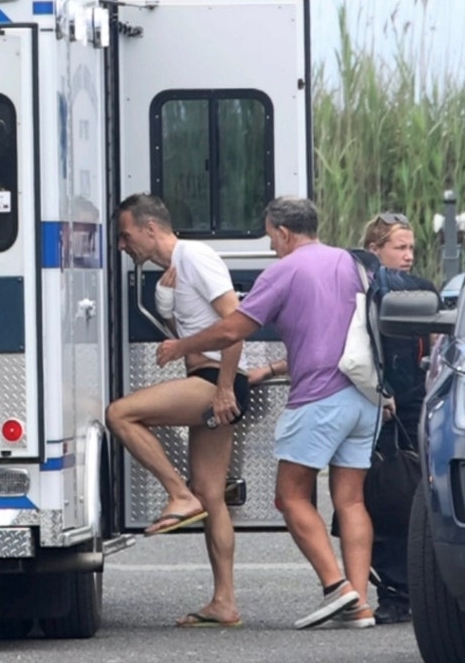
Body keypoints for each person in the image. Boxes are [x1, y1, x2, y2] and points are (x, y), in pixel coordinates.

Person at [157, 196, 380, 630]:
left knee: (290, 496)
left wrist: (180, 346)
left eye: (271, 236)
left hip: (318, 396)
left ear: (283, 231)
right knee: (350, 500)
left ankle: (338, 588)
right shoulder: (353, 265)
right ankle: (361, 606)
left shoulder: (284, 270)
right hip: (363, 397)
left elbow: (232, 329)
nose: (272, 244)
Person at [105, 193, 250, 628]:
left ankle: (177, 494)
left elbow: (236, 324)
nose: (123, 246)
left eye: (126, 235)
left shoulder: (195, 257)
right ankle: (224, 602)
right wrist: (168, 311)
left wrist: (224, 387)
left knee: (120, 414)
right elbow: (195, 326)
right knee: (213, 496)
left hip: (213, 382)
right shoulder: (172, 273)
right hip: (208, 379)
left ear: (151, 228)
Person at [358, 211, 433, 625]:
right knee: (379, 499)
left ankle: (407, 587)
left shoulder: (417, 290)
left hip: (411, 404)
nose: (407, 255)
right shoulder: (361, 289)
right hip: (374, 404)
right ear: (374, 251)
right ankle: (391, 586)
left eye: (411, 248)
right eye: (399, 247)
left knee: (407, 496)